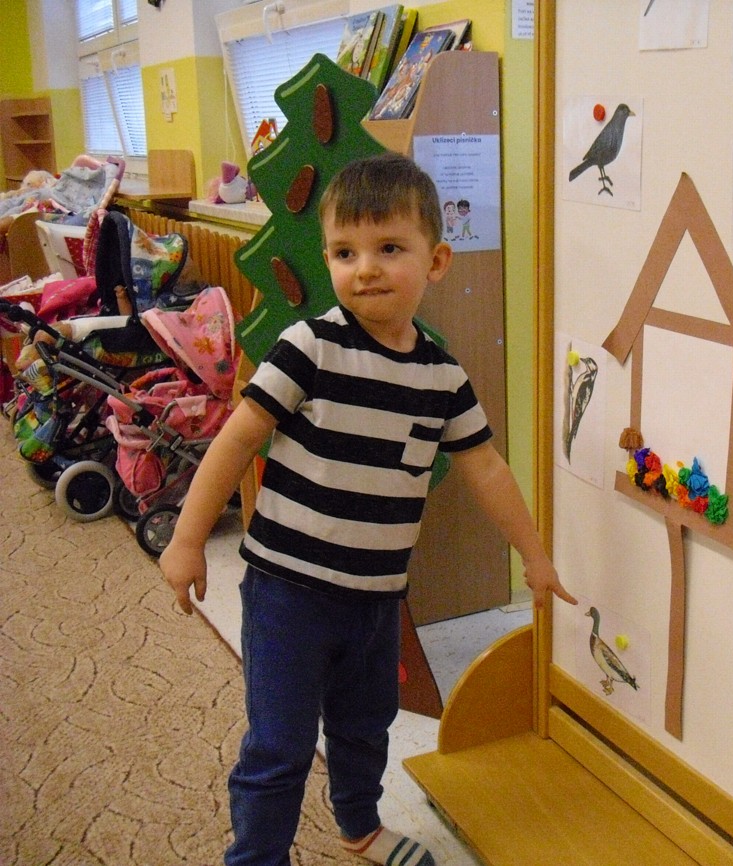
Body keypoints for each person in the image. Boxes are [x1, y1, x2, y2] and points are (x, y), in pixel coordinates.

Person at [159, 152, 577, 866]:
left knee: (365, 727)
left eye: (389, 248)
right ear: (327, 259)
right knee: (280, 745)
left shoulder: (442, 378)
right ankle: (256, 857)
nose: (366, 269)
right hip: (287, 593)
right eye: (345, 252)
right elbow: (236, 440)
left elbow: (485, 467)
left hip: (376, 600)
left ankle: (358, 825)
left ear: (435, 261)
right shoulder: (310, 347)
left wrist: (534, 556)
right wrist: (187, 539)